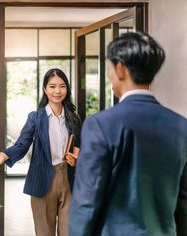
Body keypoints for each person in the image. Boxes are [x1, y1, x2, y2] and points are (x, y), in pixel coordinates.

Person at [69, 31, 187, 236]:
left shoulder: (100, 125)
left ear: (120, 69)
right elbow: (184, 202)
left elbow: (86, 203)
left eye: (109, 68)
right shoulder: (181, 126)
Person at [0, 68, 81, 236]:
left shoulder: (74, 118)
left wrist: (77, 160)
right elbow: (22, 144)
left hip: (70, 180)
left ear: (67, 89)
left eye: (62, 86)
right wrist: (4, 155)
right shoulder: (36, 117)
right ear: (45, 89)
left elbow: (81, 148)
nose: (57, 91)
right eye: (52, 86)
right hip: (43, 180)